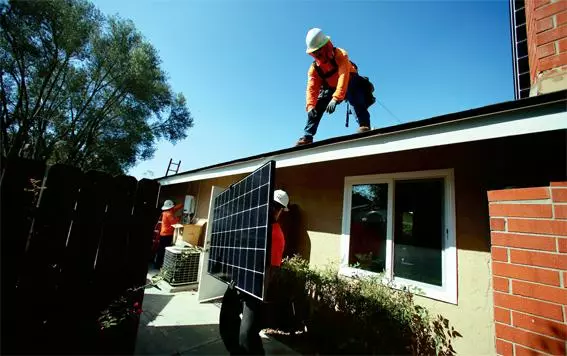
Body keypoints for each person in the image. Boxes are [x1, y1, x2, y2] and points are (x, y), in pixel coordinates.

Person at [219, 189, 290, 355]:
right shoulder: (252, 226)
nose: (272, 209)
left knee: (247, 335)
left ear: (280, 211)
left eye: (277, 207)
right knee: (227, 322)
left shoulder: (276, 235)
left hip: (255, 289)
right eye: (271, 204)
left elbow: (271, 269)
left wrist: (258, 297)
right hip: (237, 281)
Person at [296, 28, 375, 146]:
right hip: (331, 87)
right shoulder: (314, 69)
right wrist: (310, 106)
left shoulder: (340, 54)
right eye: (315, 52)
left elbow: (344, 77)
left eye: (319, 50)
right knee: (316, 105)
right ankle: (307, 136)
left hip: (350, 80)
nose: (318, 54)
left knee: (353, 93)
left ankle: (364, 125)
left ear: (326, 46)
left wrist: (335, 98)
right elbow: (312, 88)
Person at [155, 199, 183, 269]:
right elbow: (174, 222)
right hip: (167, 235)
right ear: (170, 207)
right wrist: (179, 217)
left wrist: (183, 204)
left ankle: (157, 265)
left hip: (163, 234)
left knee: (161, 250)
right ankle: (159, 265)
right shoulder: (169, 214)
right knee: (164, 251)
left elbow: (176, 208)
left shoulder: (166, 212)